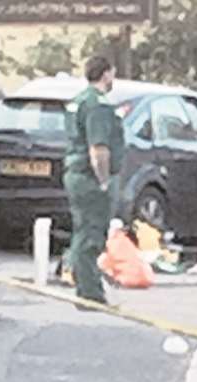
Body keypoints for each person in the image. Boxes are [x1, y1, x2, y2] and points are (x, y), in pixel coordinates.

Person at [62, 55, 125, 309]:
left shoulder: (77, 102)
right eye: (112, 73)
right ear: (106, 74)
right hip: (89, 178)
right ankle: (90, 295)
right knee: (91, 236)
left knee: (82, 232)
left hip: (75, 174)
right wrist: (103, 180)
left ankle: (85, 287)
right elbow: (98, 147)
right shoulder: (98, 106)